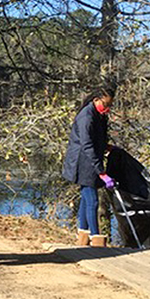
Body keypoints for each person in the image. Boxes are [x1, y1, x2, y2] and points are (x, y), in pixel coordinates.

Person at [62, 85, 117, 247]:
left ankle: (83, 236)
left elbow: (95, 139)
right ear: (96, 100)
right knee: (92, 201)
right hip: (82, 163)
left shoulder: (99, 115)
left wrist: (107, 147)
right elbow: (86, 145)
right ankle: (96, 239)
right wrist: (101, 173)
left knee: (86, 200)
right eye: (105, 105)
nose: (107, 109)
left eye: (109, 106)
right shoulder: (86, 116)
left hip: (91, 162)